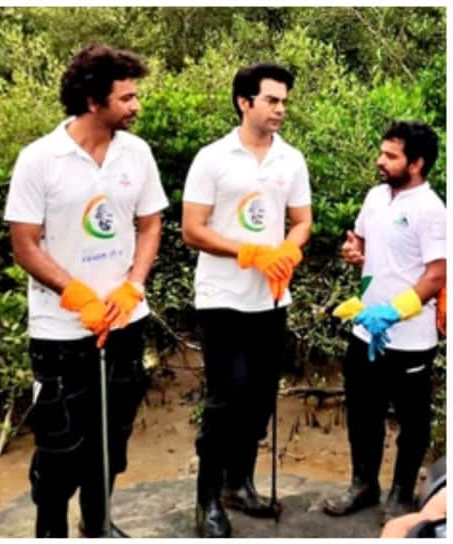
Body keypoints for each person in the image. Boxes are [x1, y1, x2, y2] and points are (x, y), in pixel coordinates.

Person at [5, 44, 167, 538]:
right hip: (61, 332)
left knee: (112, 440)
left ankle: (98, 524)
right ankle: (51, 530)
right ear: (93, 101)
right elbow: (25, 245)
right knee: (59, 448)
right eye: (127, 98)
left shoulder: (135, 152)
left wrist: (132, 286)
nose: (136, 106)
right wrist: (76, 294)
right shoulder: (40, 159)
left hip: (123, 323)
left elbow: (151, 223)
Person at [181, 63, 311, 538]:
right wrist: (249, 251)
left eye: (284, 101)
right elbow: (192, 229)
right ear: (245, 102)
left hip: (272, 299)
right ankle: (207, 498)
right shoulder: (213, 158)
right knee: (226, 396)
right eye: (272, 100)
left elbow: (301, 220)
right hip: (222, 298)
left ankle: (241, 483)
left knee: (258, 398)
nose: (280, 109)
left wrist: (288, 249)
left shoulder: (290, 160)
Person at [324, 121, 445, 524]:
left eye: (391, 156)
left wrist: (393, 311)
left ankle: (400, 494)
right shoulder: (376, 196)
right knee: (362, 412)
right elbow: (359, 239)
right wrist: (354, 250)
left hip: (410, 338)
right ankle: (363, 485)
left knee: (412, 420)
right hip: (365, 330)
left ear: (417, 163)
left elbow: (436, 275)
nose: (380, 161)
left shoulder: (431, 210)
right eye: (382, 152)